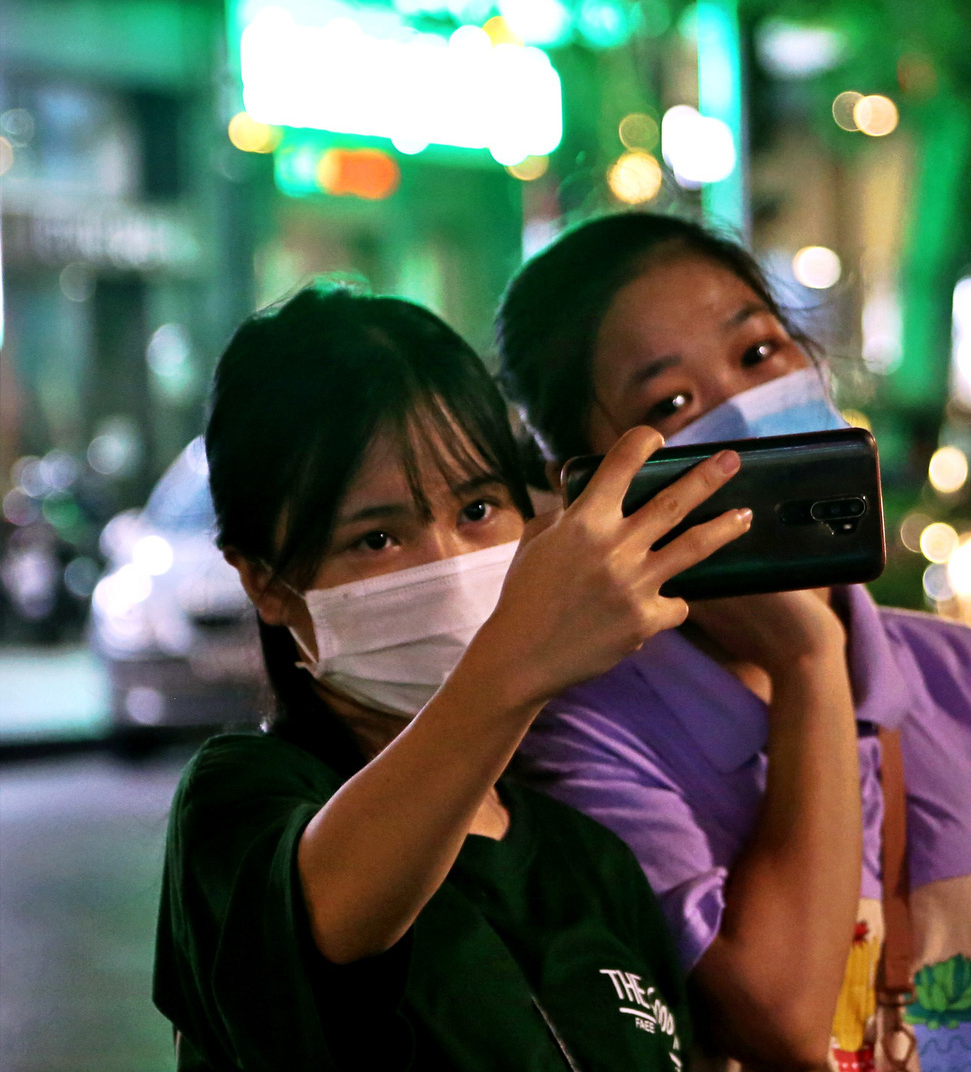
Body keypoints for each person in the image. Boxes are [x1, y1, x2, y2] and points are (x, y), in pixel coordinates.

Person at [496, 213, 971, 1072]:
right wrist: (807, 662)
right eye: (670, 404)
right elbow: (775, 1022)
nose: (737, 408)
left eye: (761, 354)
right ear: (588, 482)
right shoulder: (587, 740)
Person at [154, 287, 753, 1070]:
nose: (449, 565)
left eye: (477, 510)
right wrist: (520, 658)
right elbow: (330, 921)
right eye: (376, 539)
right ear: (265, 582)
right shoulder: (241, 807)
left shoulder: (587, 861)